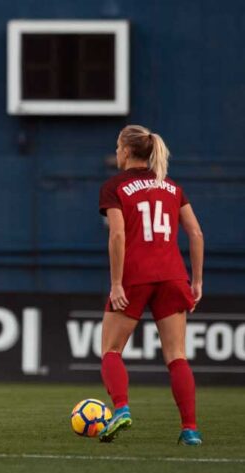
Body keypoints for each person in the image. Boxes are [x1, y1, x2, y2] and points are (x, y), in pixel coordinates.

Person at [97, 125, 204, 445]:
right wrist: (196, 281)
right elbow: (196, 234)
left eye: (118, 147)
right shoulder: (170, 186)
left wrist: (116, 283)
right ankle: (190, 429)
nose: (117, 152)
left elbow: (117, 235)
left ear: (127, 151)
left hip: (135, 276)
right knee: (177, 356)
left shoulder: (114, 186)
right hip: (173, 275)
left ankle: (121, 408)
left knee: (111, 350)